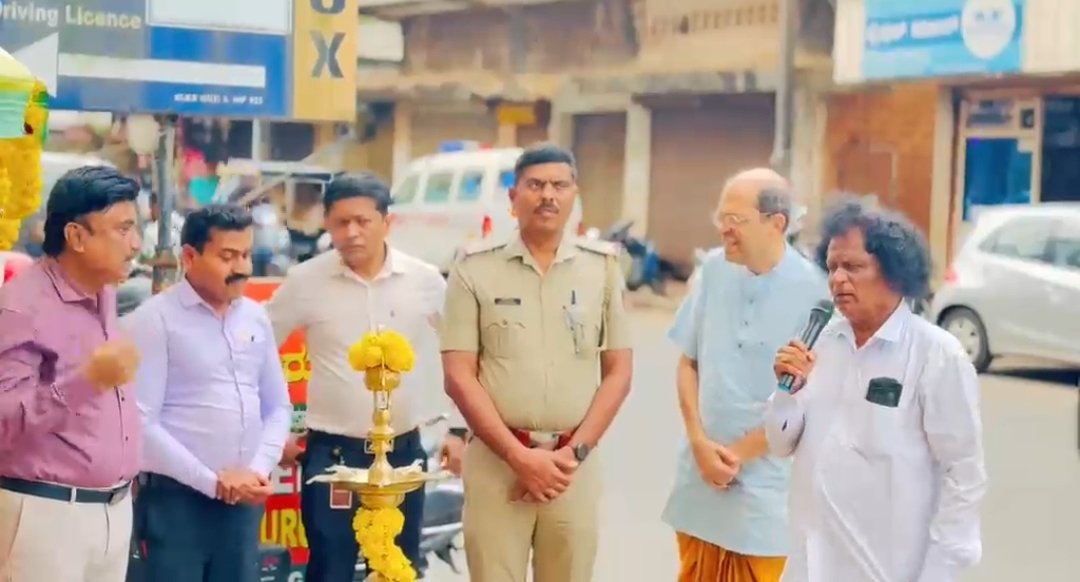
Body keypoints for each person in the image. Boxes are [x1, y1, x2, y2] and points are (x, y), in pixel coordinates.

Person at [765, 198, 987, 582]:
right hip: (810, 567)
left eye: (853, 267)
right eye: (832, 267)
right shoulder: (821, 342)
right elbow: (780, 444)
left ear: (895, 273)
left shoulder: (936, 355)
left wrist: (938, 573)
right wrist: (787, 393)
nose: (837, 279)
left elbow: (964, 476)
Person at [441, 143, 634, 582]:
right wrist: (518, 457)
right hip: (496, 464)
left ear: (574, 194)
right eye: (535, 185)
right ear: (513, 197)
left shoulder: (601, 268)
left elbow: (619, 373)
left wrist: (573, 453)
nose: (548, 195)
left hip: (573, 468)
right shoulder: (474, 267)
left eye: (559, 185)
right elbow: (458, 376)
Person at [266, 173, 447, 581]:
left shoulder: (424, 281)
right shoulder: (305, 282)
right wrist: (272, 432)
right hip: (332, 455)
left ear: (387, 222)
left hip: (402, 455)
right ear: (326, 223)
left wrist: (458, 429)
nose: (351, 233)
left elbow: (464, 353)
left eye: (363, 221)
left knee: (397, 567)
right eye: (341, 222)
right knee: (329, 568)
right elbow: (254, 352)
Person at [664, 169, 829, 582]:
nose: (725, 230)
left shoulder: (816, 294)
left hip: (763, 491)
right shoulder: (713, 271)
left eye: (736, 220)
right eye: (721, 218)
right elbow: (688, 363)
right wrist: (699, 443)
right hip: (699, 478)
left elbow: (810, 402)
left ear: (777, 223)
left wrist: (735, 456)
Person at [124, 204, 291, 581]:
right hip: (177, 504)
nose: (242, 268)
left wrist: (255, 471)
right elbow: (141, 424)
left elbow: (278, 407)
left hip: (242, 505)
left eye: (246, 255)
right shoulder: (155, 320)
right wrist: (213, 483)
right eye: (227, 256)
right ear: (189, 257)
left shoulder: (255, 316)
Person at [0, 165, 143, 581]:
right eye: (123, 230)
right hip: (46, 513)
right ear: (76, 237)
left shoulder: (104, 292)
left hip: (112, 510)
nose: (136, 244)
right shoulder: (21, 307)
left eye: (136, 228)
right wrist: (87, 381)